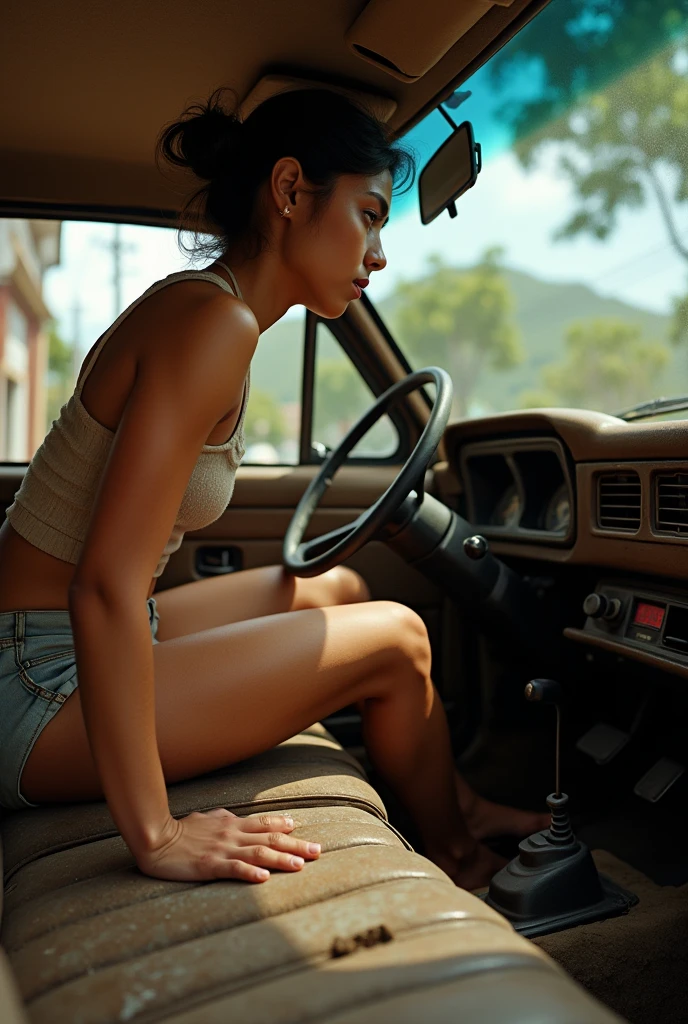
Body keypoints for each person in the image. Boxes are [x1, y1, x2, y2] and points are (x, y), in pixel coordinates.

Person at [0, 87, 548, 890]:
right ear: (290, 191)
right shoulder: (209, 325)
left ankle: (456, 810)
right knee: (397, 639)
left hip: (36, 645)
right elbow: (104, 588)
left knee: (338, 588)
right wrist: (156, 834)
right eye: (367, 215)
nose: (379, 254)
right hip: (32, 687)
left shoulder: (214, 315)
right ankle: (464, 861)